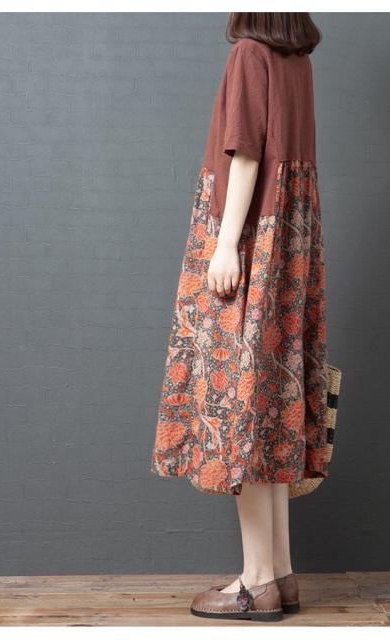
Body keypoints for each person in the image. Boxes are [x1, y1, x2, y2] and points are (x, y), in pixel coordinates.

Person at [149, 12, 328, 622]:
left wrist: (225, 245)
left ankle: (255, 583)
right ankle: (278, 571)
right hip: (289, 249)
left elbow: (246, 157)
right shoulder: (297, 63)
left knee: (241, 406)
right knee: (269, 404)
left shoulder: (250, 55)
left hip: (252, 240)